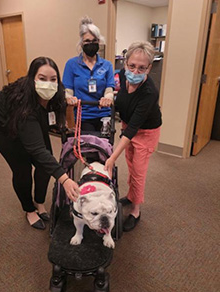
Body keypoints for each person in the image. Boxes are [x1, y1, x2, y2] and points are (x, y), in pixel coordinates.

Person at [0, 57, 80, 230]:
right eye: (42, 78)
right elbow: (36, 149)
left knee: (45, 164)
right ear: (32, 78)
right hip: (2, 125)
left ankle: (39, 203)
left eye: (53, 79)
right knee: (22, 167)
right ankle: (29, 210)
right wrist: (65, 180)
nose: (48, 84)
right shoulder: (23, 105)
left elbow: (52, 119)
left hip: (31, 120)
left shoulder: (57, 93)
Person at [102, 42, 162, 232]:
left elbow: (132, 130)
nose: (135, 71)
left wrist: (112, 158)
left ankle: (136, 210)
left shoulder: (149, 92)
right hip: (128, 125)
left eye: (142, 68)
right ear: (125, 62)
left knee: (138, 170)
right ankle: (131, 195)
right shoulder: (120, 76)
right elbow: (112, 92)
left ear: (149, 68)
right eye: (132, 66)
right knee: (130, 162)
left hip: (146, 132)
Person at [63, 16, 115, 132]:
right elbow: (68, 91)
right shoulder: (72, 64)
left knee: (105, 146)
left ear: (99, 42)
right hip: (83, 115)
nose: (91, 44)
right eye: (87, 41)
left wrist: (107, 98)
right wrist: (69, 98)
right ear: (81, 43)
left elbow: (109, 89)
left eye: (94, 41)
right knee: (89, 145)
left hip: (103, 113)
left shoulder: (107, 65)